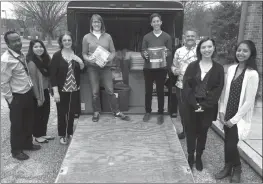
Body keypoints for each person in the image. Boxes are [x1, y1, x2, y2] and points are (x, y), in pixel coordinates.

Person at [215, 40, 259, 183]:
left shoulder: (252, 74)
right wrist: (221, 111)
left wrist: (234, 119)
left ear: (251, 53)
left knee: (231, 144)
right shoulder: (232, 69)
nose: (241, 53)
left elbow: (249, 101)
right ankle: (227, 167)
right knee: (227, 141)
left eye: (245, 51)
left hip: (239, 116)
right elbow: (224, 92)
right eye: (239, 50)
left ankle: (237, 168)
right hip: (227, 111)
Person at [183, 37, 224, 171]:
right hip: (191, 105)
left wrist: (204, 105)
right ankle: (190, 156)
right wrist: (195, 105)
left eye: (209, 46)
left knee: (203, 132)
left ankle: (199, 156)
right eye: (203, 47)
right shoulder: (192, 66)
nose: (207, 50)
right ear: (199, 49)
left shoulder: (218, 68)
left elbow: (218, 88)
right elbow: (187, 87)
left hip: (208, 107)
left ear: (214, 48)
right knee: (190, 132)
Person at [82, 14, 130, 122]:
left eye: (98, 22)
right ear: (91, 24)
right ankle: (96, 112)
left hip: (106, 67)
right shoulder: (86, 37)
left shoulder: (107, 36)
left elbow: (113, 52)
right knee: (95, 91)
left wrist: (109, 59)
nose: (96, 24)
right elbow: (84, 54)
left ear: (101, 23)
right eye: (94, 22)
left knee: (110, 90)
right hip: (92, 68)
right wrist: (89, 60)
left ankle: (116, 111)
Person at [1, 31, 41, 160]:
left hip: (27, 92)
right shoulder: (6, 60)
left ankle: (27, 144)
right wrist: (10, 100)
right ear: (8, 44)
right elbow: (3, 82)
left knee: (29, 121)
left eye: (19, 39)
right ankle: (16, 150)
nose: (18, 43)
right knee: (17, 124)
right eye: (14, 41)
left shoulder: (20, 54)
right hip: (17, 96)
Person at [49, 31, 84, 145]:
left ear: (72, 41)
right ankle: (62, 134)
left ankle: (69, 132)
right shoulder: (57, 56)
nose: (67, 42)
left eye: (69, 40)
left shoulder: (77, 53)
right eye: (64, 40)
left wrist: (80, 61)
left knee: (71, 111)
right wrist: (55, 92)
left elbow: (83, 70)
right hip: (61, 89)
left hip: (74, 88)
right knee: (62, 112)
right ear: (61, 42)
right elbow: (52, 75)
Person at [141, 13, 172, 125]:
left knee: (160, 91)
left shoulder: (167, 37)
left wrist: (164, 53)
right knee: (148, 91)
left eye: (158, 21)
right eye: (154, 21)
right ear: (151, 24)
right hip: (148, 68)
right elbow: (143, 51)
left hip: (161, 68)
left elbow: (169, 51)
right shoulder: (146, 37)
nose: (156, 23)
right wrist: (145, 54)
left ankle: (160, 113)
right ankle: (148, 112)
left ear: (161, 22)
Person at [26, 39, 55, 143]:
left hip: (45, 90)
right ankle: (37, 136)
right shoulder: (32, 62)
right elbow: (33, 80)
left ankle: (43, 133)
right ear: (31, 49)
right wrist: (38, 97)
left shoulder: (46, 59)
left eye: (41, 46)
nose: (39, 49)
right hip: (37, 92)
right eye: (36, 47)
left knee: (45, 113)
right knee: (38, 114)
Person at [171, 29, 198, 139]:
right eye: (188, 36)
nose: (190, 38)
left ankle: (195, 132)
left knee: (196, 110)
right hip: (181, 86)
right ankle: (185, 131)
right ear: (184, 38)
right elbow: (173, 65)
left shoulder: (200, 51)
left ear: (196, 37)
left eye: (192, 36)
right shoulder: (179, 51)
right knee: (183, 111)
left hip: (196, 87)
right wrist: (174, 70)